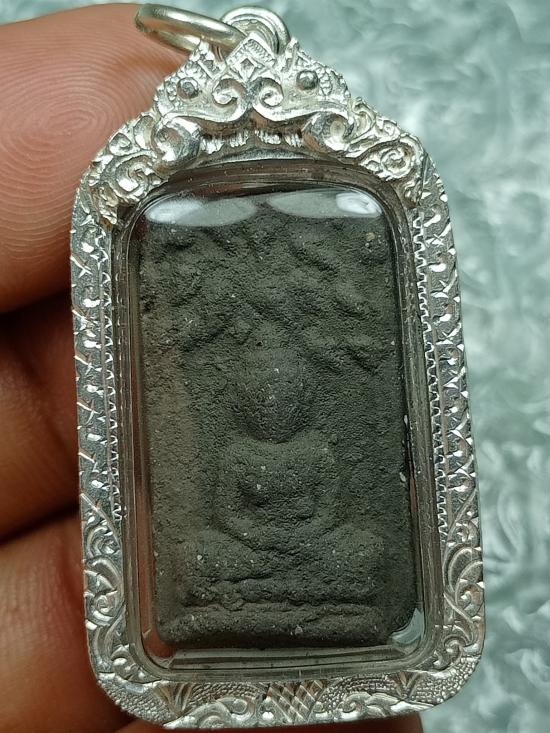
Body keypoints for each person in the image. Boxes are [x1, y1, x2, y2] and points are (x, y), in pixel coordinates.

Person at [0, 5, 423, 732]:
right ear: (241, 398)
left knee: (360, 553)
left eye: (286, 395)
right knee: (198, 558)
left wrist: (294, 546)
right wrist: (259, 547)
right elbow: (229, 518)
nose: (274, 406)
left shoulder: (318, 450)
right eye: (261, 394)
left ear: (306, 398)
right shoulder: (234, 453)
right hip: (248, 560)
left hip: (312, 558)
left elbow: (327, 517)